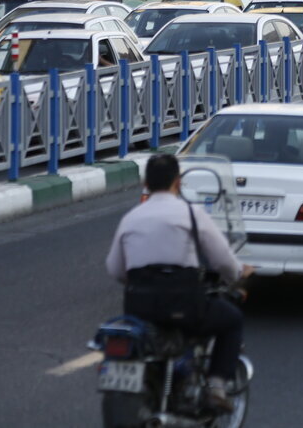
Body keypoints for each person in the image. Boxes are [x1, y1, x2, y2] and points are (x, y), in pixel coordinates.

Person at [106, 154, 250, 413]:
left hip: (138, 309)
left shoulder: (131, 218)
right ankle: (217, 385)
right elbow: (223, 260)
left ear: (146, 183)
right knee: (232, 319)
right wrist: (238, 274)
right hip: (183, 305)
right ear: (178, 182)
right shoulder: (191, 215)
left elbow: (115, 269)